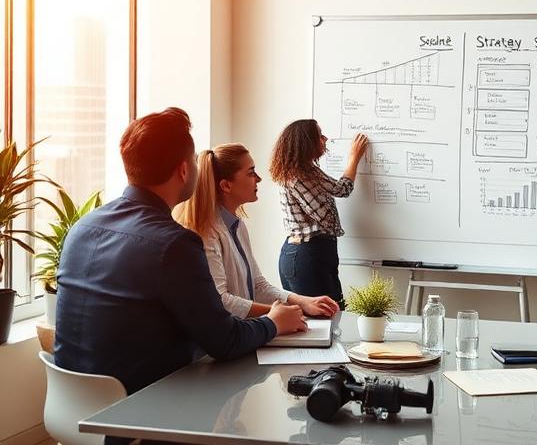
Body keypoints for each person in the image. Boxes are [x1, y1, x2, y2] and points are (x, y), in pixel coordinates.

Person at [55, 108, 308, 398]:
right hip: (138, 409)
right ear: (184, 170)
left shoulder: (82, 228)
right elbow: (224, 342)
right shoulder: (174, 244)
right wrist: (273, 322)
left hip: (73, 405)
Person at [175, 142, 339, 318]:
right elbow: (220, 300)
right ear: (226, 186)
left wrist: (302, 301)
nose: (258, 178)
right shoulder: (205, 233)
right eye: (251, 172)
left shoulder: (237, 226)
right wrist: (277, 313)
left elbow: (258, 285)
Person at [269, 120, 368, 307]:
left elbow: (341, 190)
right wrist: (353, 158)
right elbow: (327, 215)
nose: (325, 139)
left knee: (328, 313)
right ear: (306, 142)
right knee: (324, 316)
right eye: (320, 136)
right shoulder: (298, 175)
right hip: (308, 253)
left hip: (310, 251)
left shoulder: (307, 171)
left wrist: (353, 158)